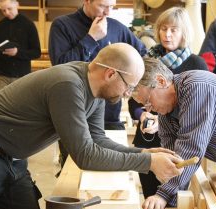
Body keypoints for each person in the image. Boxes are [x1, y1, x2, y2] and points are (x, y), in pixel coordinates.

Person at [0, 43, 183, 209]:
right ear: (111, 74)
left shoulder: (96, 93)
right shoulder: (67, 85)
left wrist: (144, 154)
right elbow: (85, 155)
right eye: (129, 87)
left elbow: (98, 140)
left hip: (12, 155)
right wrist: (148, 164)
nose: (127, 94)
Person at [128, 7, 208, 209]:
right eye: (163, 28)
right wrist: (163, 203)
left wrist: (164, 195)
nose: (168, 34)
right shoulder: (164, 101)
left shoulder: (195, 79)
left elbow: (191, 144)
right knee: (158, 205)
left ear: (162, 81)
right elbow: (174, 158)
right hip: (157, 142)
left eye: (174, 29)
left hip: (196, 148)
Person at [49, 0, 147, 166]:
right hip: (74, 117)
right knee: (74, 174)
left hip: (110, 116)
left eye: (111, 6)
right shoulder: (62, 25)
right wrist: (91, 38)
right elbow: (61, 68)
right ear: (87, 1)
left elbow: (142, 54)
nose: (108, 12)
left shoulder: (117, 27)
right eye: (103, 6)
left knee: (115, 170)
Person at [133, 57, 216, 209]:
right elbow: (173, 163)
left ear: (161, 81)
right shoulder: (166, 116)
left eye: (149, 101)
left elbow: (191, 148)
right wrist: (163, 207)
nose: (150, 109)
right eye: (144, 106)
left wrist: (162, 195)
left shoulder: (196, 86)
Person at [0, 0, 41, 91]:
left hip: (21, 76)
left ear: (17, 5)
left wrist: (17, 52)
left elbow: (36, 52)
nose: (7, 13)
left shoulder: (29, 25)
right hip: (1, 76)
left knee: (20, 105)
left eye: (9, 9)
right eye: (3, 11)